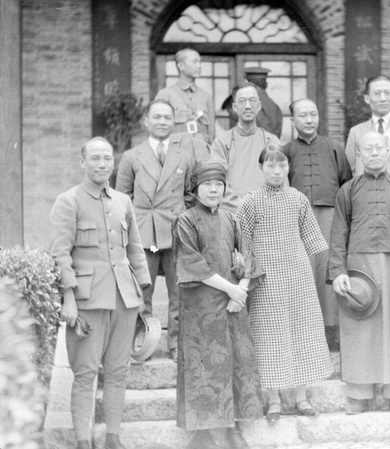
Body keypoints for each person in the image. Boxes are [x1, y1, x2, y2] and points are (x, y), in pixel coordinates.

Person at [49, 137, 151, 449]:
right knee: (85, 373)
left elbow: (134, 248)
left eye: (107, 158)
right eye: (95, 158)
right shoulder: (68, 201)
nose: (102, 164)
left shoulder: (123, 201)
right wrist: (68, 296)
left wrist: (143, 294)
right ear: (82, 162)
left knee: (118, 371)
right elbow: (59, 253)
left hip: (125, 297)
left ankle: (113, 439)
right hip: (87, 299)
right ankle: (83, 441)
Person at [173, 161, 265, 449]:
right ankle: (203, 432)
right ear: (195, 188)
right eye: (207, 184)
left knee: (236, 363)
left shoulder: (231, 219)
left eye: (218, 184)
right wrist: (231, 290)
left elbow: (247, 257)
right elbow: (193, 264)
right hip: (201, 307)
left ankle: (233, 427)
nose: (214, 189)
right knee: (204, 366)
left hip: (232, 306)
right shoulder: (185, 221)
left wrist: (242, 291)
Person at [236, 146, 333, 421]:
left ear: (288, 168)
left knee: (302, 331)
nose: (276, 171)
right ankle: (274, 399)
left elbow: (312, 240)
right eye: (270, 166)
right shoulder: (250, 202)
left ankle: (301, 397)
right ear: (261, 168)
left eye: (281, 166)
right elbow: (241, 244)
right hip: (265, 279)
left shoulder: (299, 199)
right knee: (269, 335)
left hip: (297, 276)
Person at [329, 131, 390, 416]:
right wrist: (339, 271)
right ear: (359, 154)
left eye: (379, 147)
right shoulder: (348, 190)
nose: (375, 153)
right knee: (359, 328)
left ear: (388, 149)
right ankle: (359, 394)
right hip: (359, 267)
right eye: (368, 149)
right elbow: (338, 232)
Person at [116, 99, 195, 360]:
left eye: (167, 118)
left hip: (175, 231)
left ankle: (176, 345)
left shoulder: (184, 155)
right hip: (143, 233)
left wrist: (183, 218)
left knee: (178, 291)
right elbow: (122, 199)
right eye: (157, 117)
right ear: (146, 121)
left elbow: (191, 194)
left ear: (174, 123)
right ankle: (142, 344)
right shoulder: (131, 156)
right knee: (142, 291)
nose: (162, 122)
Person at [282, 98, 352, 350]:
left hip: (329, 219)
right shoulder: (286, 151)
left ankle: (332, 336)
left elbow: (347, 185)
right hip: (297, 220)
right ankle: (304, 336)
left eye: (313, 114)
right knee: (302, 275)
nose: (309, 120)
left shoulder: (334, 147)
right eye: (303, 116)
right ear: (293, 121)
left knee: (327, 274)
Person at [211, 82, 280, 211]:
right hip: (231, 214)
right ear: (235, 107)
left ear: (259, 106)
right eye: (242, 101)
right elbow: (219, 181)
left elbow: (279, 180)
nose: (248, 106)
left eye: (252, 101)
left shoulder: (271, 141)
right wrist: (243, 207)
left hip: (266, 214)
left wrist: (263, 208)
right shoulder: (221, 143)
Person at [156, 48, 216, 145]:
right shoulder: (165, 95)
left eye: (200, 62)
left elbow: (211, 132)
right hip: (175, 152)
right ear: (181, 66)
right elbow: (157, 129)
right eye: (194, 62)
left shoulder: (206, 96)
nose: (199, 66)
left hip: (201, 153)